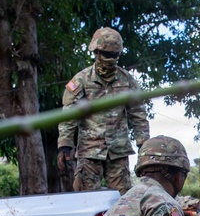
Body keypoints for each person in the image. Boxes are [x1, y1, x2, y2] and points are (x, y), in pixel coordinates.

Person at [57, 27, 149, 195]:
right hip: (89, 152)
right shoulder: (81, 80)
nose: (110, 59)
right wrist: (64, 145)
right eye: (106, 54)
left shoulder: (127, 80)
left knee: (123, 201)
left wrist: (144, 144)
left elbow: (139, 114)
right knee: (86, 199)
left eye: (114, 55)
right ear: (96, 51)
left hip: (118, 151)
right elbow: (68, 115)